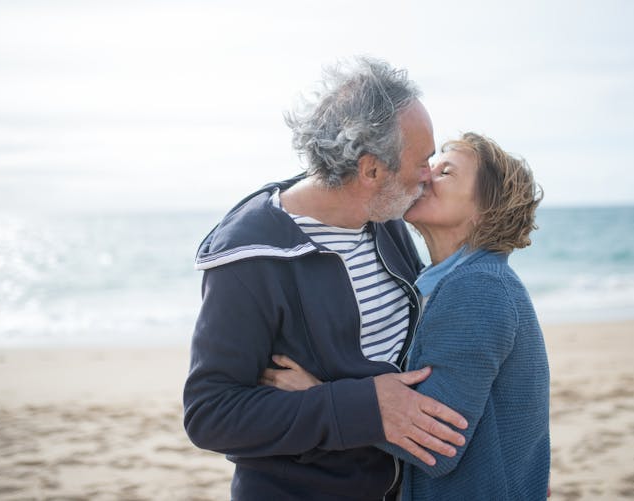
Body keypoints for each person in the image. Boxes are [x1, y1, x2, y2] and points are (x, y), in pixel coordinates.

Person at [182, 57, 468, 501]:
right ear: (371, 170)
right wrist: (360, 408)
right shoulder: (248, 258)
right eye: (423, 159)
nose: (429, 175)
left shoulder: (382, 216)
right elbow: (211, 415)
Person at [263, 132, 550, 499]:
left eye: (446, 172)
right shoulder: (466, 280)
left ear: (485, 210)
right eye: (432, 165)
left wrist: (319, 396)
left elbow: (435, 445)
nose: (426, 174)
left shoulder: (477, 289)